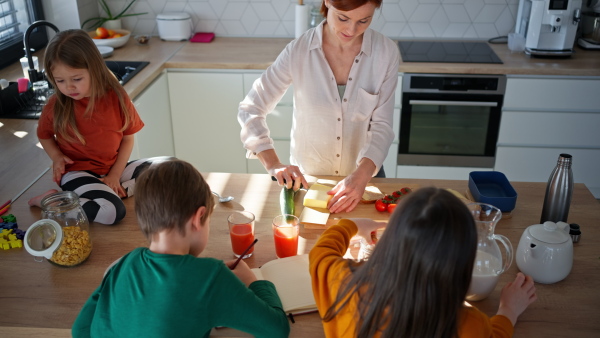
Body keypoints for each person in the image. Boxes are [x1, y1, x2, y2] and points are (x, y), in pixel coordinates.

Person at [72, 159, 290, 337]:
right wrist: (254, 280)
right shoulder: (211, 277)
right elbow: (277, 329)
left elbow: (80, 330)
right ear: (199, 217)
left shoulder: (122, 264)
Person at [238, 0, 399, 213]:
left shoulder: (386, 53)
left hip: (365, 180)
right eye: (343, 18)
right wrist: (273, 164)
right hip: (308, 182)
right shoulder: (298, 51)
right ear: (327, 3)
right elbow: (251, 107)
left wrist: (361, 178)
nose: (352, 30)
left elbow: (382, 125)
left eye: (364, 20)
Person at [309, 187, 537, 338]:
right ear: (459, 263)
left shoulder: (342, 282)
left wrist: (351, 225)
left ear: (391, 239)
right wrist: (508, 310)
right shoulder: (468, 324)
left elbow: (320, 253)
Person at [27, 29, 171, 225]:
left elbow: (128, 138)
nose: (69, 87)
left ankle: (109, 188)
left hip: (111, 169)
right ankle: (54, 202)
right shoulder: (56, 105)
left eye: (76, 79)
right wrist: (56, 156)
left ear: (94, 69)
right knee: (112, 212)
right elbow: (44, 135)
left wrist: (114, 175)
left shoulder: (116, 96)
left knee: (170, 168)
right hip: (77, 173)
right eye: (60, 81)